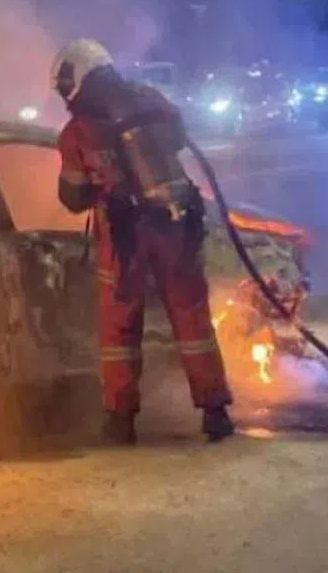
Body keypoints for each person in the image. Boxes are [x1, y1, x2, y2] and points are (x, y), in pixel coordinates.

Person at [52, 39, 234, 445]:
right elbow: (180, 138)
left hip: (126, 239)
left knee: (120, 327)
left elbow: (73, 197)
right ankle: (215, 412)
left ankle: (121, 420)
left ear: (77, 80)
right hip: (176, 225)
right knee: (192, 319)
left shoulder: (77, 131)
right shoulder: (150, 98)